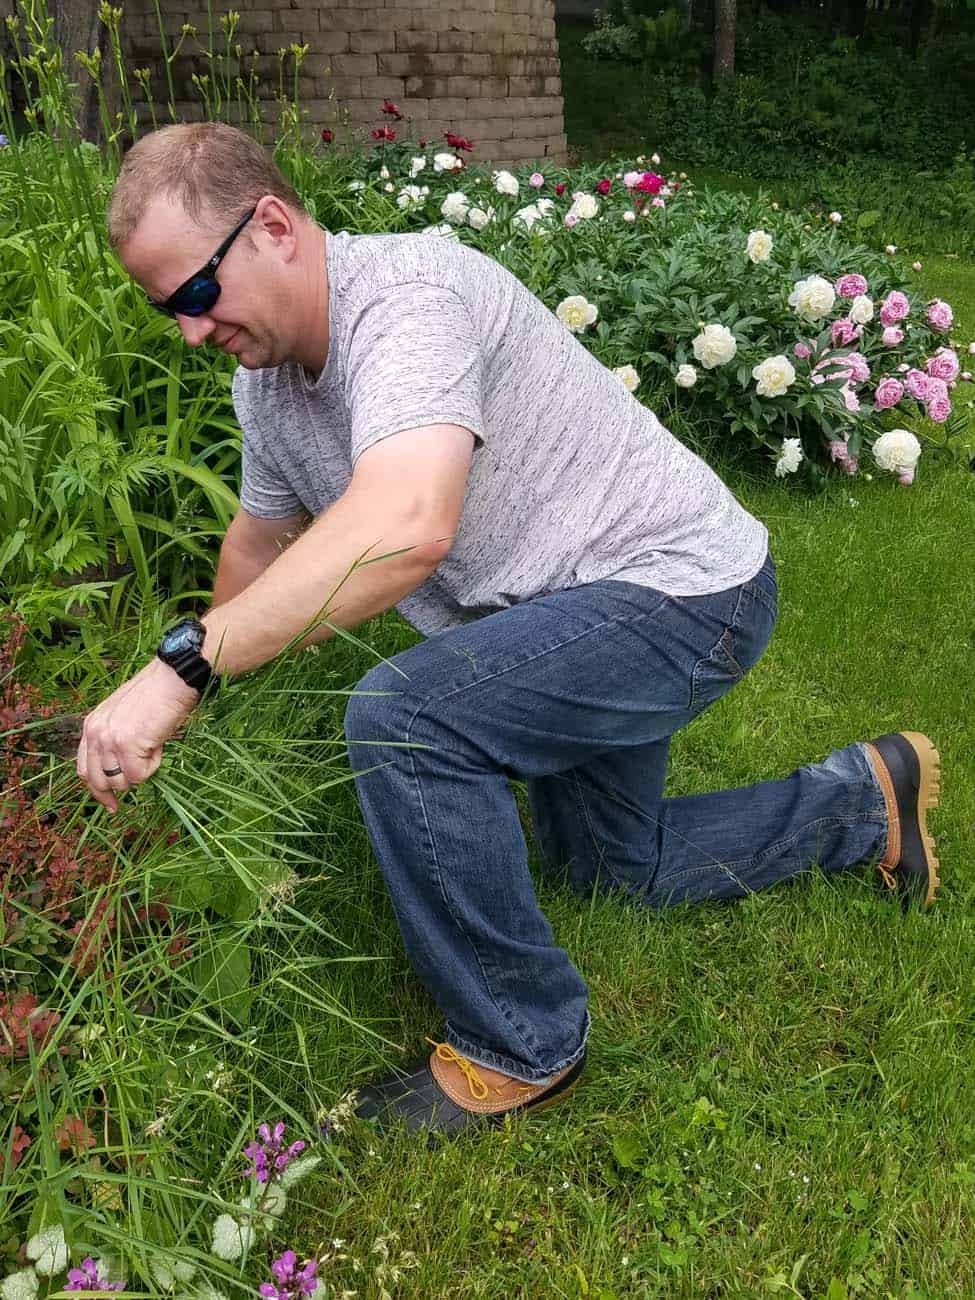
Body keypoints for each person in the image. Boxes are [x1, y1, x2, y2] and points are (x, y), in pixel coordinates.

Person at [77, 122, 942, 1143]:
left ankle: (519, 1040)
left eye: (195, 294)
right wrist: (189, 706)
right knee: (612, 872)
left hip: (687, 595)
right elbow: (261, 548)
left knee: (408, 716)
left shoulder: (407, 301)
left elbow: (407, 523)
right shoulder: (266, 389)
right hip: (571, 613)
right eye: (164, 308)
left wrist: (182, 668)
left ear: (273, 225)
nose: (187, 329)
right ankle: (862, 802)